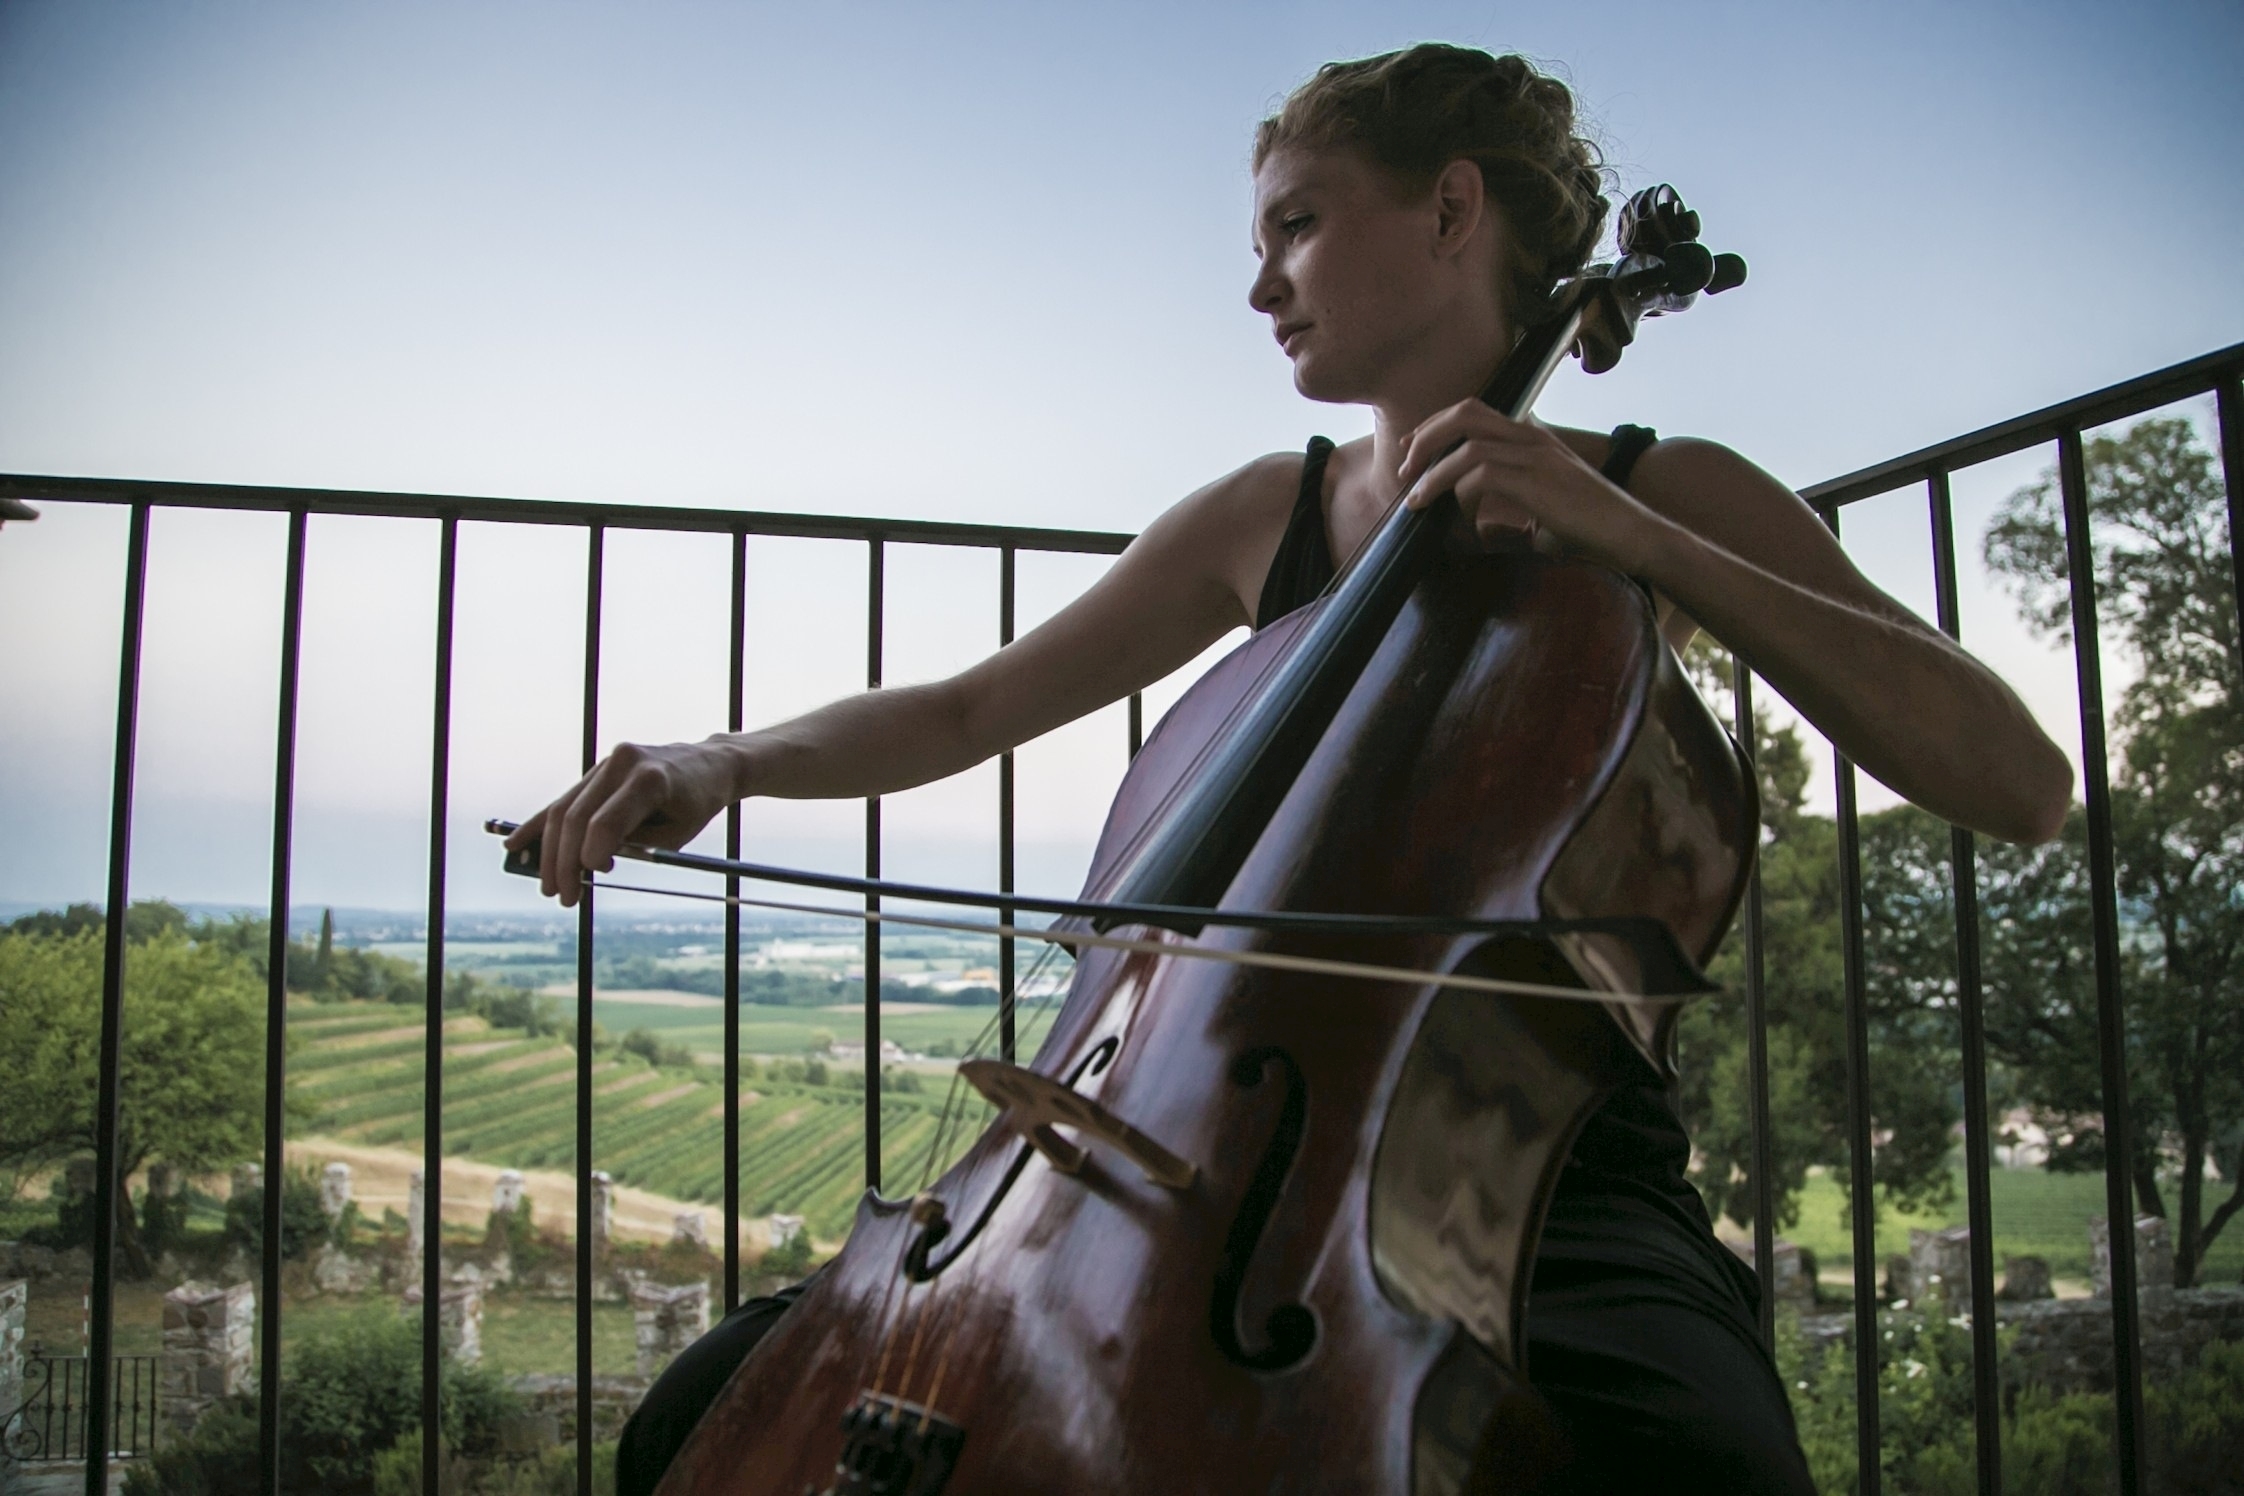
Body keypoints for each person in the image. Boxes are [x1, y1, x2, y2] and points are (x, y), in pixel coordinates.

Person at [510, 44, 2072, 1496]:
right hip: (1166, 1164)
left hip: (1534, 1189)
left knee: (1701, 1468)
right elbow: (969, 705)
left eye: (1298, 226)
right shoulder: (1270, 515)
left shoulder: (1665, 490)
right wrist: (718, 760)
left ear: (1451, 206)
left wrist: (1638, 541)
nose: (1261, 285)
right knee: (711, 1408)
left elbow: (2019, 779)